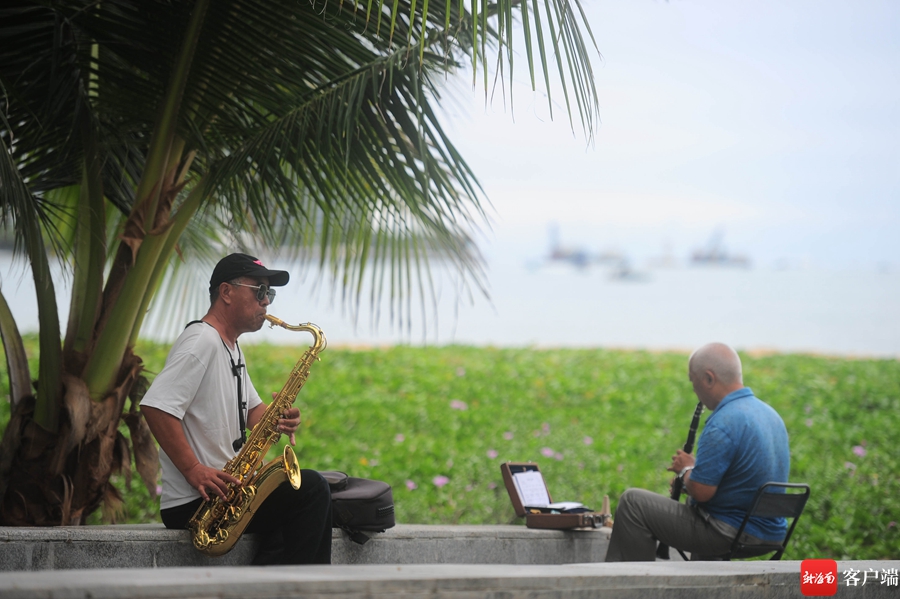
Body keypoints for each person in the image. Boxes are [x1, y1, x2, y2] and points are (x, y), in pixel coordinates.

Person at [141, 253, 332, 565]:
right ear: (227, 292)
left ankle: (274, 582)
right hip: (197, 503)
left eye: (269, 293)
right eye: (259, 291)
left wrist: (279, 417)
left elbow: (253, 412)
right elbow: (156, 407)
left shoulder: (230, 345)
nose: (266, 301)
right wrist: (193, 469)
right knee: (311, 491)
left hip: (223, 492)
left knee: (303, 497)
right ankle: (301, 586)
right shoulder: (201, 341)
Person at [604, 342, 790, 562]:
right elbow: (742, 482)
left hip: (729, 532)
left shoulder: (723, 422)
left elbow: (702, 492)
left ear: (709, 379)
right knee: (702, 511)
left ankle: (636, 580)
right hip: (771, 533)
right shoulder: (771, 415)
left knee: (632, 503)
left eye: (694, 382)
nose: (694, 390)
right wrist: (693, 476)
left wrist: (686, 470)